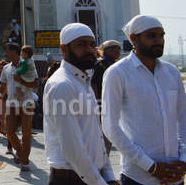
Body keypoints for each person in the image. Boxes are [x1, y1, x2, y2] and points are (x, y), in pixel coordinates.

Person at [103, 15, 186, 185]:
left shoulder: (172, 73)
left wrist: (183, 161)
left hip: (175, 174)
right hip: (138, 177)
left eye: (161, 35)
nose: (158, 40)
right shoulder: (118, 72)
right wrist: (151, 166)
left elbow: (182, 119)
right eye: (151, 36)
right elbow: (110, 126)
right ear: (134, 38)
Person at [43, 23, 117, 185]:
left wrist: (109, 176)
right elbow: (72, 148)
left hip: (92, 178)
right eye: (81, 44)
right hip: (71, 179)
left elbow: (96, 137)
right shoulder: (62, 85)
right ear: (64, 49)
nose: (89, 49)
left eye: (92, 44)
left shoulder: (84, 81)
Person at [0, 41, 38, 172]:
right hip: (11, 104)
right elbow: (3, 87)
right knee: (9, 131)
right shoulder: (6, 68)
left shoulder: (28, 65)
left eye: (8, 51)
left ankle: (24, 161)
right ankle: (21, 152)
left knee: (26, 134)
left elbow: (36, 84)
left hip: (26, 103)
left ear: (16, 53)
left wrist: (21, 81)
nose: (5, 54)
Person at [92, 39, 122, 154]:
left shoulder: (116, 65)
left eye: (118, 48)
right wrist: (98, 105)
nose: (116, 50)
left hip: (115, 105)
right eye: (113, 48)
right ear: (104, 50)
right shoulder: (101, 64)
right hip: (103, 106)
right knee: (104, 137)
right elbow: (94, 84)